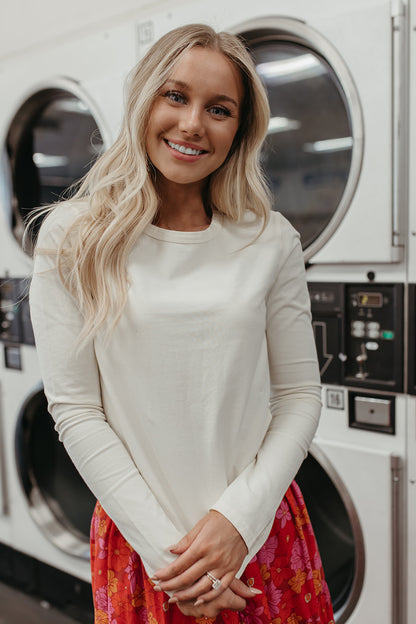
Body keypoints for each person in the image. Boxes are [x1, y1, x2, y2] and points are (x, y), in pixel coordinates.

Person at [29, 23, 335, 624]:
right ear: (145, 101)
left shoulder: (268, 239)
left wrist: (236, 525)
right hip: (144, 546)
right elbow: (76, 410)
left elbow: (299, 395)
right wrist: (169, 556)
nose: (193, 124)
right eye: (176, 97)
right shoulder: (74, 238)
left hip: (261, 535)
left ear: (240, 130)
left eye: (219, 109)